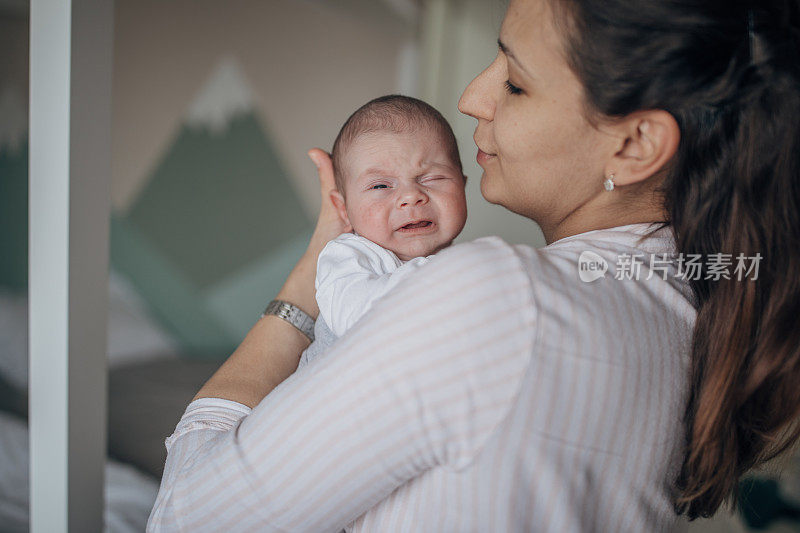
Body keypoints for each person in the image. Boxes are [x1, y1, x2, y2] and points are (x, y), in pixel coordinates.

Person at [147, 0, 800, 530]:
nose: (471, 96)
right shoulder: (694, 314)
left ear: (635, 145)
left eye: (515, 82)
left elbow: (186, 516)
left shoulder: (498, 300)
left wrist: (309, 273)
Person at [298, 95, 468, 368]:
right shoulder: (348, 255)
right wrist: (451, 276)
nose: (411, 196)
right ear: (343, 209)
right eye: (380, 186)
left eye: (433, 178)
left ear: (462, 185)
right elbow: (357, 319)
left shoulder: (461, 265)